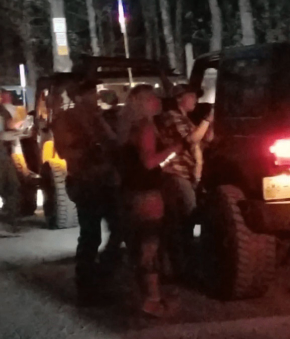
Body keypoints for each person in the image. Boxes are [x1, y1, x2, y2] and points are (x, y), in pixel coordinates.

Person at [52, 80, 122, 301]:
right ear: (79, 97)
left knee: (120, 228)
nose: (95, 97)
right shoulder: (67, 119)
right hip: (86, 182)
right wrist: (91, 148)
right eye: (91, 93)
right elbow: (66, 151)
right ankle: (86, 287)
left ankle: (103, 275)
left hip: (107, 180)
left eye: (96, 93)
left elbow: (114, 141)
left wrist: (101, 122)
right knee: (91, 235)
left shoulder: (100, 116)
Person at [117, 85, 180, 317]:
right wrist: (172, 149)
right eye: (153, 97)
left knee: (139, 244)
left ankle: (144, 296)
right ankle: (152, 300)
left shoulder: (127, 127)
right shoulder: (145, 127)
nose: (158, 100)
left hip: (131, 192)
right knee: (150, 246)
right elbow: (148, 162)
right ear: (144, 102)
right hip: (147, 194)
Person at [156, 84, 212, 280]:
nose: (195, 100)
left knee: (181, 222)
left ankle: (177, 267)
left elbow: (205, 141)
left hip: (187, 174)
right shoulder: (172, 117)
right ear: (179, 98)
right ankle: (179, 267)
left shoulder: (185, 118)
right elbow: (191, 140)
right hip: (176, 173)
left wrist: (209, 125)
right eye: (191, 96)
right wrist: (207, 120)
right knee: (187, 217)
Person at [0, 90, 24, 233]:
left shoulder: (3, 110)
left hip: (4, 153)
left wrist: (19, 126)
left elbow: (9, 125)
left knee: (12, 185)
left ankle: (9, 222)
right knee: (10, 185)